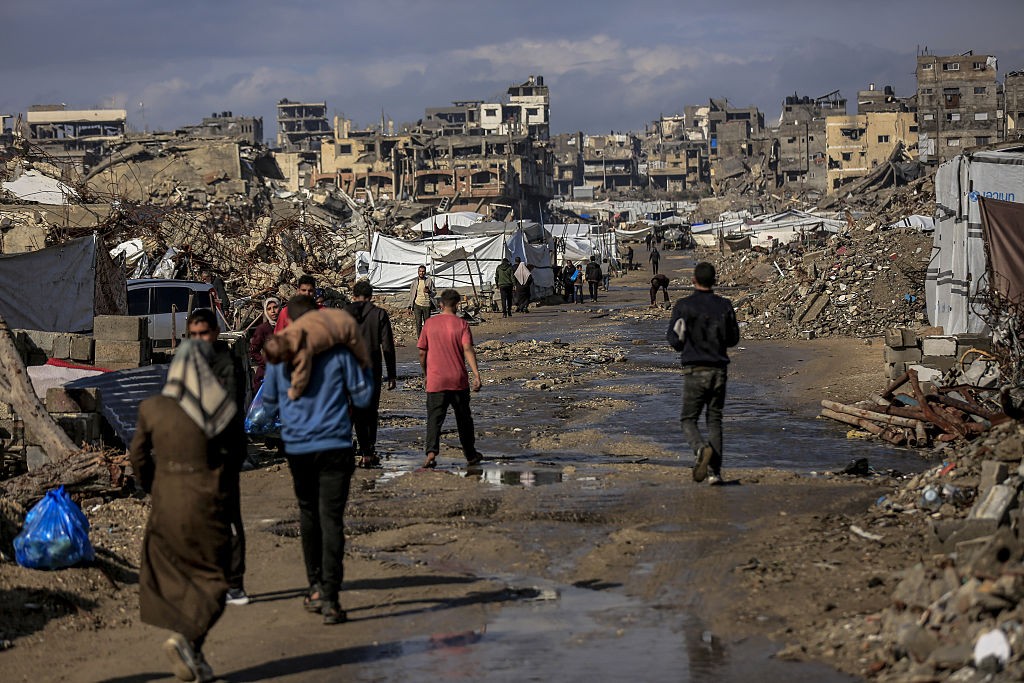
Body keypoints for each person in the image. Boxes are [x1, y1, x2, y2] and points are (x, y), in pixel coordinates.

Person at [129, 341, 238, 682]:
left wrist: (154, 485)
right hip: (206, 499)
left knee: (177, 573)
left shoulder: (152, 407)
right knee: (217, 577)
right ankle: (187, 638)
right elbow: (233, 455)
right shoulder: (218, 407)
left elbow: (138, 456)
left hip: (165, 501)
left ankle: (194, 653)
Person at [261, 295, 373, 625]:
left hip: (298, 447)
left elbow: (269, 403)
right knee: (332, 519)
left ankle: (314, 586)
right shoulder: (340, 353)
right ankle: (330, 598)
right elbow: (363, 397)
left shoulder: (281, 356)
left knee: (308, 514)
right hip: (335, 444)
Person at [186, 309, 249, 605]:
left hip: (224, 452)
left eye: (204, 334)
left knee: (228, 518)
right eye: (194, 335)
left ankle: (234, 584)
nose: (199, 340)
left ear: (214, 333)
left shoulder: (227, 365)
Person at [666, 262, 740, 485]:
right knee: (714, 419)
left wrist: (688, 345)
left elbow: (674, 340)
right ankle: (714, 473)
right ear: (714, 281)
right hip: (719, 369)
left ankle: (700, 448)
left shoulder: (684, 306)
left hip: (695, 369)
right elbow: (733, 339)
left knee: (688, 419)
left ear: (693, 281)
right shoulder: (724, 305)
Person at [418, 289, 483, 469]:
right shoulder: (462, 324)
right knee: (464, 419)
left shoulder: (429, 324)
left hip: (436, 380)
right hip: (458, 380)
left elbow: (422, 352)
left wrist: (426, 373)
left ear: (440, 305)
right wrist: (476, 374)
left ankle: (431, 453)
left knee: (434, 419)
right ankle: (470, 454)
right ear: (457, 305)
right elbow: (468, 349)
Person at [262, 306, 370, 400]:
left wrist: (293, 393)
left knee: (362, 362)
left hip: (346, 330)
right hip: (338, 320)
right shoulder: (290, 332)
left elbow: (301, 376)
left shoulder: (301, 351)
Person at [345, 281, 397, 468]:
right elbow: (387, 346)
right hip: (372, 369)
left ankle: (352, 446)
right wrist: (392, 374)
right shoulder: (379, 314)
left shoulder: (344, 314)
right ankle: (369, 448)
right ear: (371, 296)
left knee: (352, 410)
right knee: (371, 411)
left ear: (353, 296)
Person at [249, 297, 279, 393]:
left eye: (275, 307)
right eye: (269, 309)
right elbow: (253, 351)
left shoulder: (285, 326)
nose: (273, 311)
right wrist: (266, 363)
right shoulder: (262, 329)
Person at [408, 265, 435, 338]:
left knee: (427, 323)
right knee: (418, 323)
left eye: (423, 271)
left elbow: (434, 293)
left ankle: (427, 338)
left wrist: (429, 291)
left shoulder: (429, 281)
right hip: (417, 305)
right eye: (420, 271)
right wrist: (410, 306)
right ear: (418, 272)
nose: (421, 273)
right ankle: (420, 339)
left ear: (425, 272)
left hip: (427, 305)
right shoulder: (414, 282)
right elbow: (411, 294)